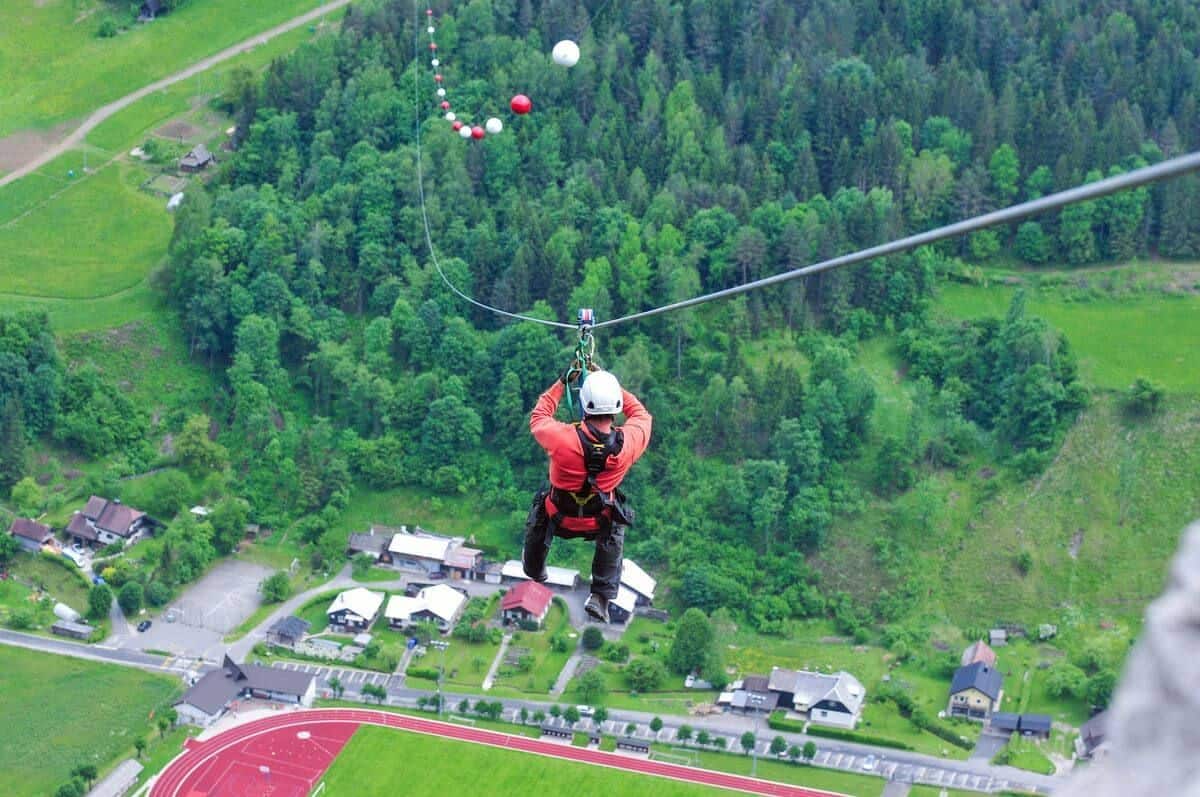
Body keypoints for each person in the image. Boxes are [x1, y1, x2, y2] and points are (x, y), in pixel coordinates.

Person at [524, 368, 652, 623]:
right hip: (598, 521)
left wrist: (561, 383)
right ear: (615, 408)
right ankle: (601, 596)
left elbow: (539, 416)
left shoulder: (561, 439)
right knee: (616, 526)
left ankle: (535, 567)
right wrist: (610, 386)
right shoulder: (628, 444)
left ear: (584, 404)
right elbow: (641, 415)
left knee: (541, 506)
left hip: (558, 516)